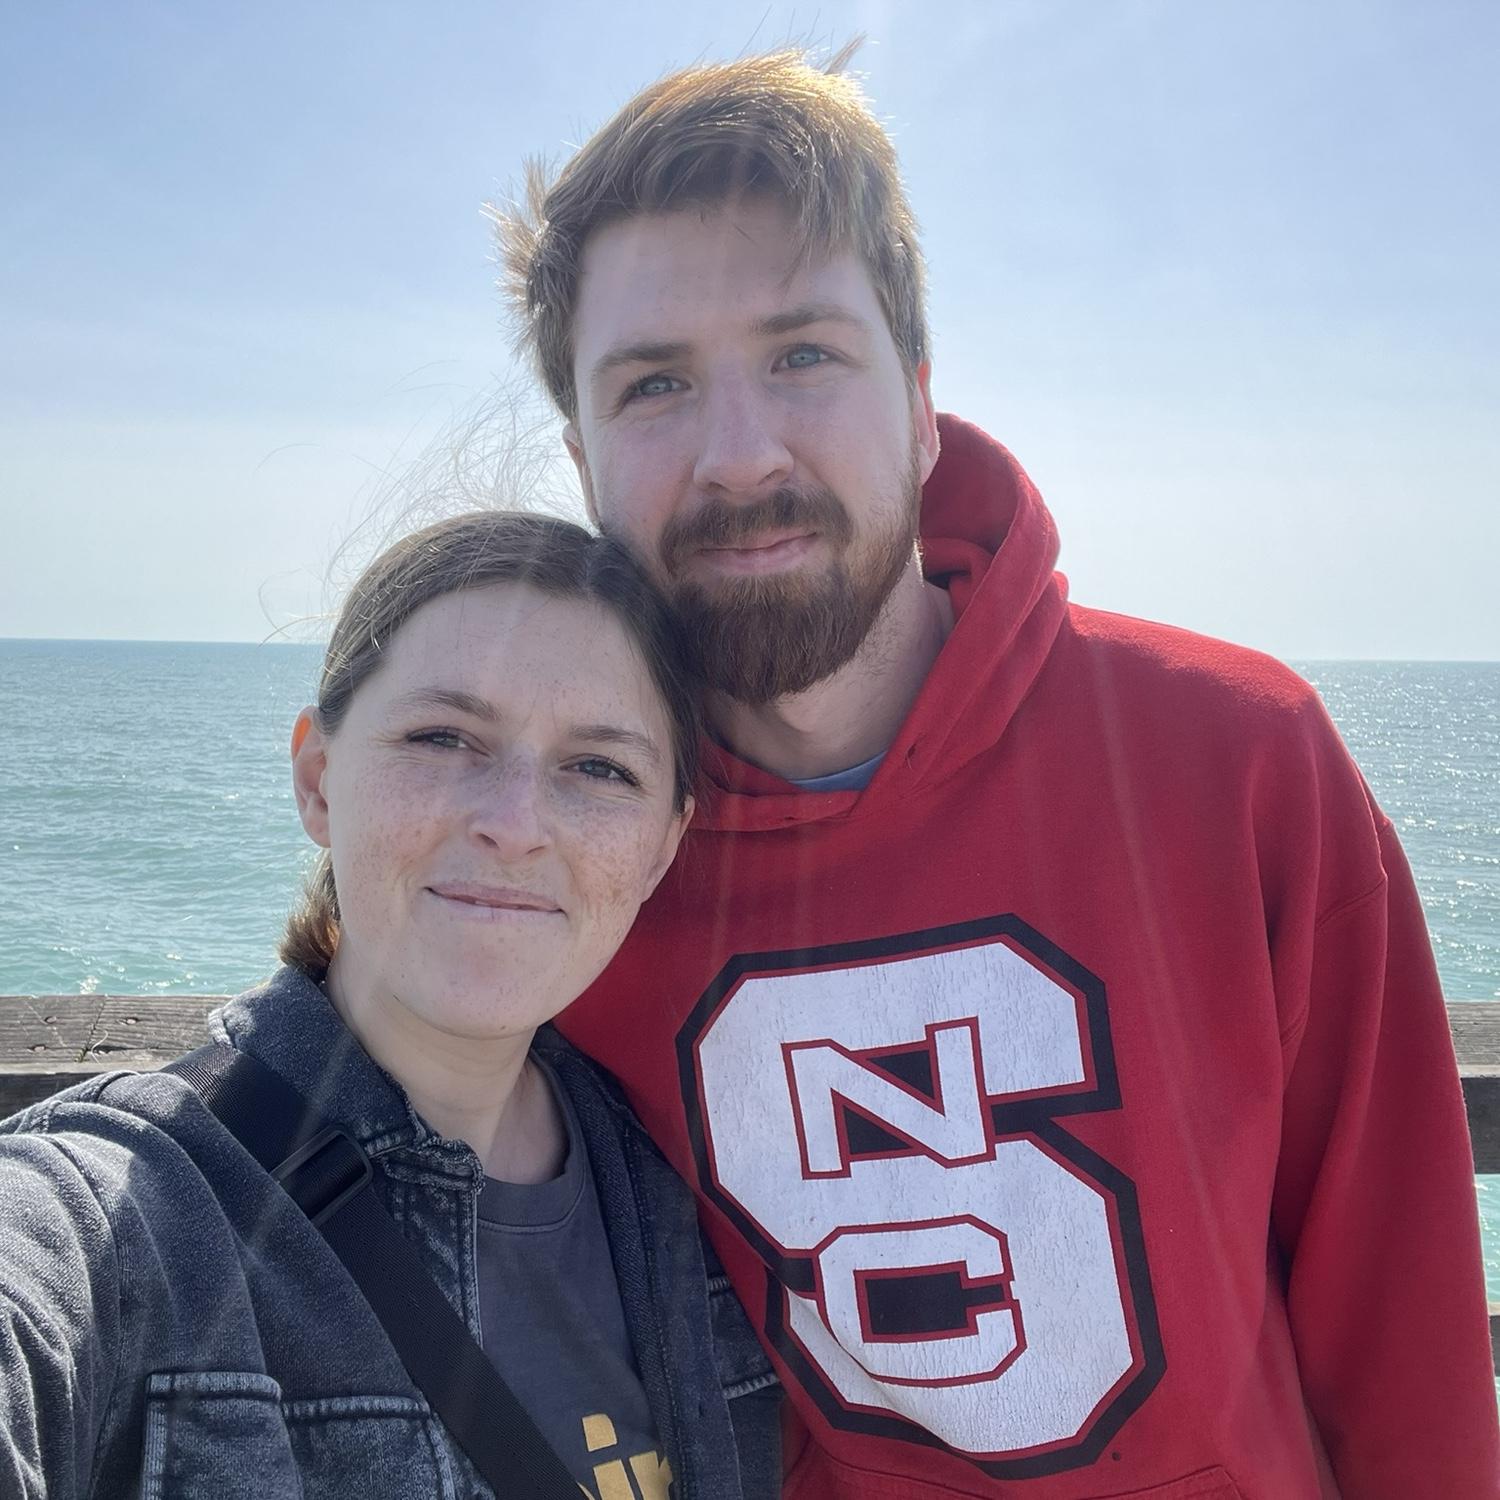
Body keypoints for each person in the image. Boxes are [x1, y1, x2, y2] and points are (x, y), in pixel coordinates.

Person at [494, 49, 1500, 1499]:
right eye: (653, 384)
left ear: (920, 400)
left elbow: (1402, 1318)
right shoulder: (567, 856)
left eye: (803, 354)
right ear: (585, 461)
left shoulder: (1238, 758)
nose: (739, 455)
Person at [0, 512, 779, 1499]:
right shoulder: (130, 1216)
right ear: (319, 781)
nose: (513, 824)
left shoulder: (707, 1193)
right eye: (442, 737)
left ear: (664, 845)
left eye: (599, 767)